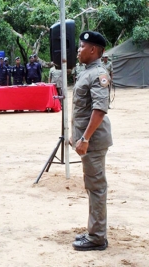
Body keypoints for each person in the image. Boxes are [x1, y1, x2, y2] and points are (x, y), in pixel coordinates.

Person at [71, 30, 112, 251]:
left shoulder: (98, 74)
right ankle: (94, 230)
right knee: (92, 186)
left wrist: (85, 138)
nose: (78, 50)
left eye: (82, 46)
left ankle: (97, 237)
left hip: (94, 142)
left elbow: (99, 109)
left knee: (96, 187)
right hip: (89, 141)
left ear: (93, 49)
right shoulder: (87, 72)